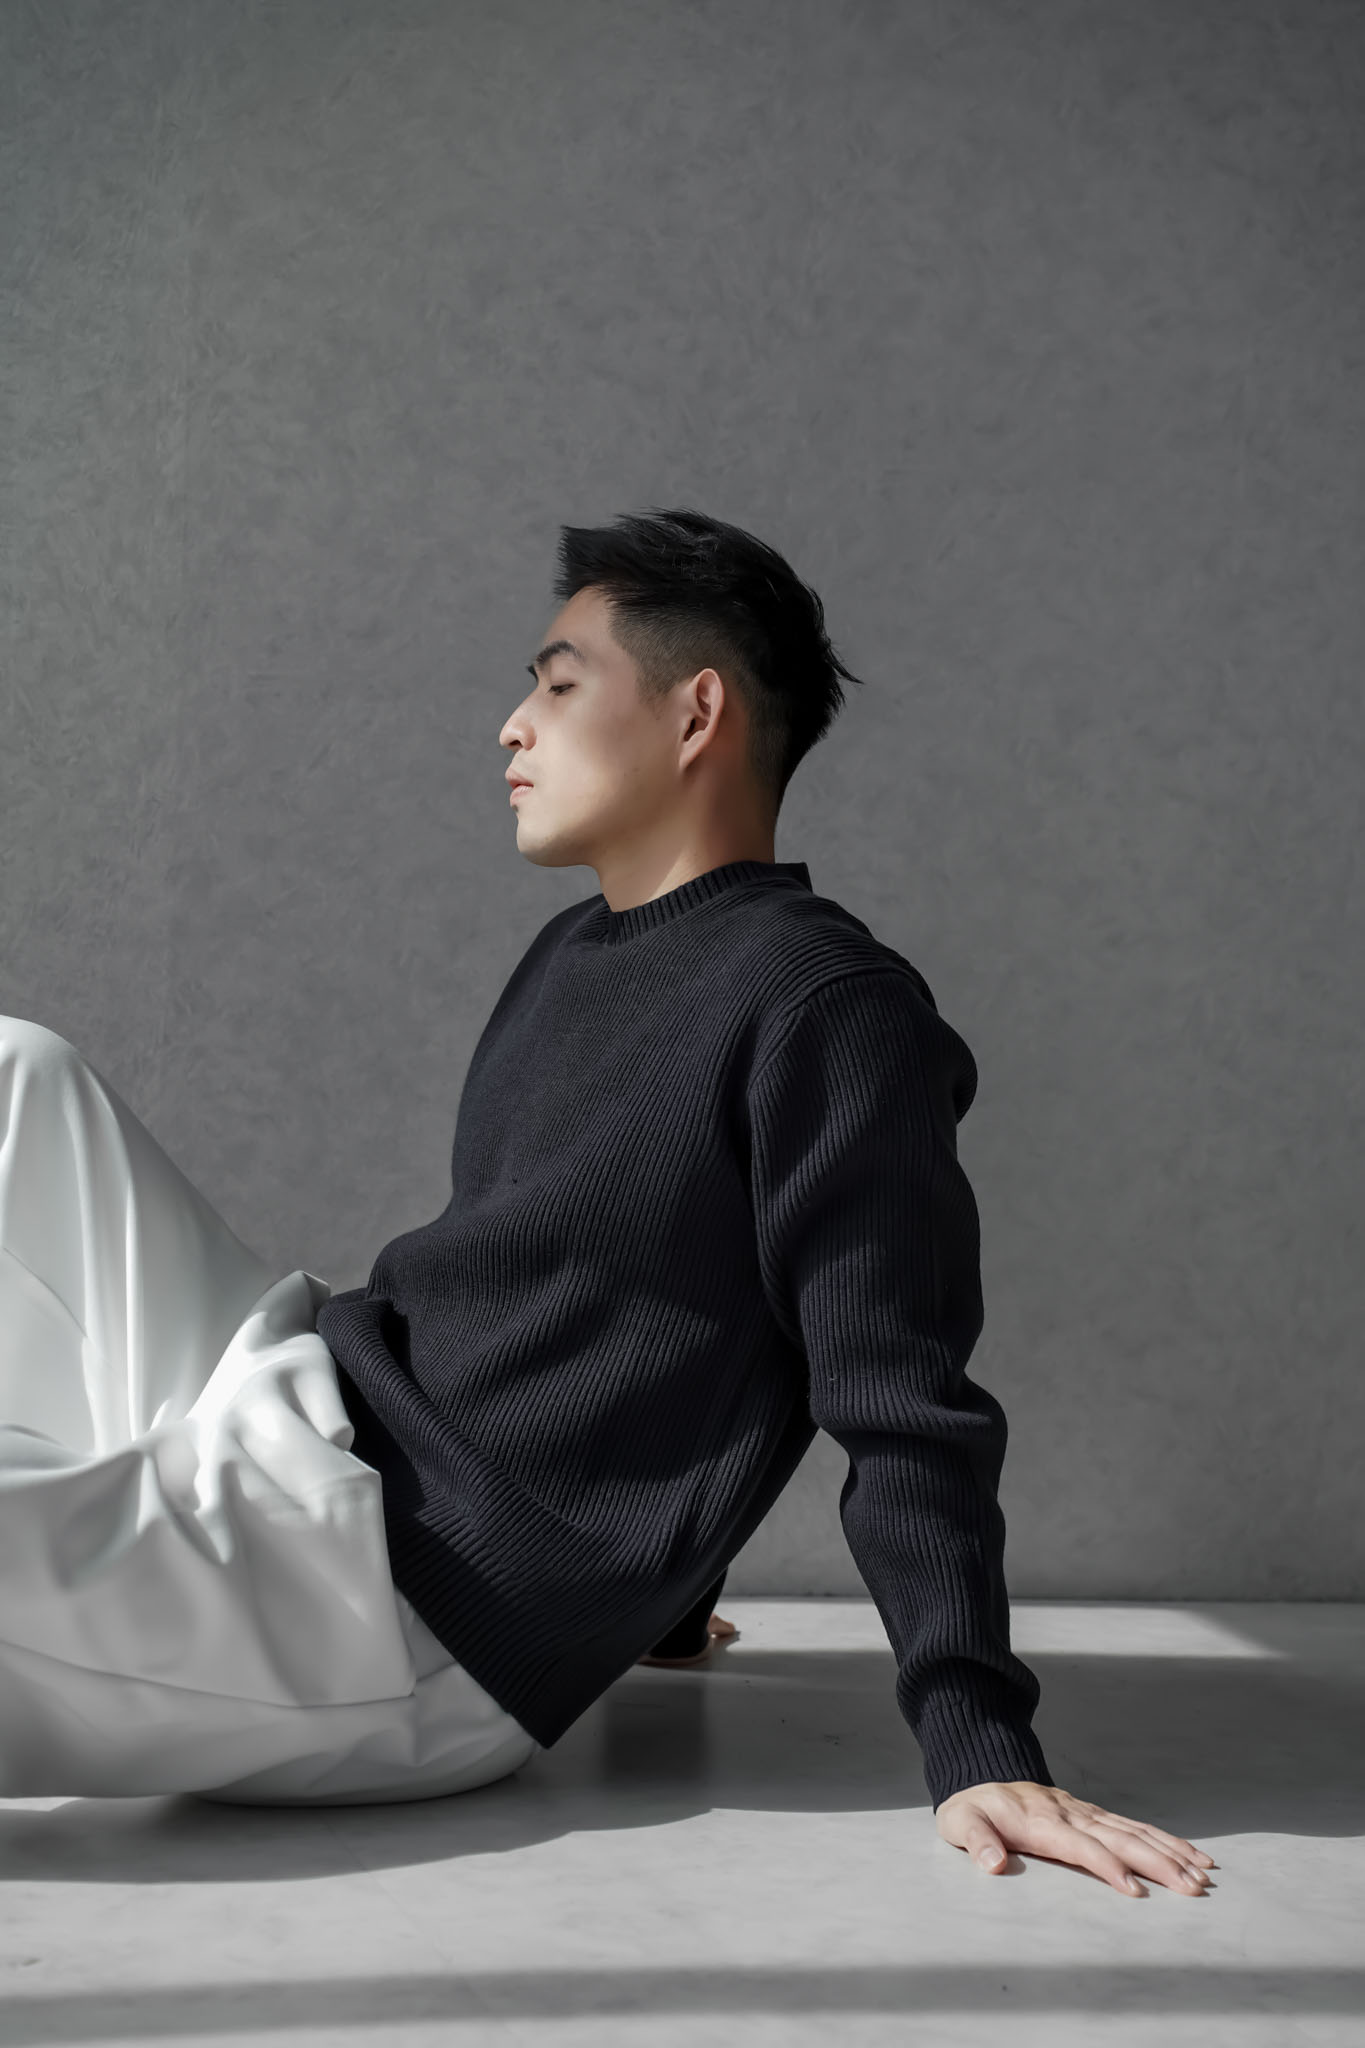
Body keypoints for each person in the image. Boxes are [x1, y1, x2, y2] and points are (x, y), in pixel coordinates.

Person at [0, 505, 1213, 1898]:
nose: (511, 727)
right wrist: (668, 1595)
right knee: (19, 1073)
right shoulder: (575, 955)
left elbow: (895, 1393)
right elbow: (623, 1315)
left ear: (696, 713)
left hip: (402, 1600)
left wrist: (978, 1742)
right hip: (322, 1405)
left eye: (559, 686)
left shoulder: (830, 1011)